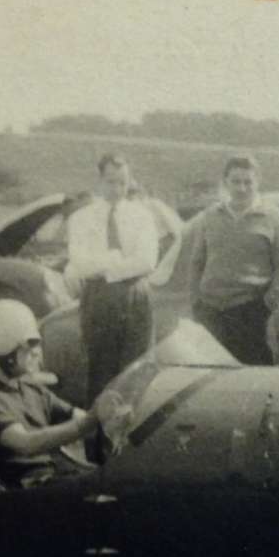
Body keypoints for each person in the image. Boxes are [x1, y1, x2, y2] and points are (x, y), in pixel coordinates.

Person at [0, 298, 124, 488]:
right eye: (29, 345)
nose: (36, 352)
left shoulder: (31, 388)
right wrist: (90, 420)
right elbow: (25, 443)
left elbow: (77, 415)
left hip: (57, 478)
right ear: (4, 350)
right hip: (31, 489)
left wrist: (113, 419)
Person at [65, 153, 160, 399]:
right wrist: (116, 258)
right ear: (99, 181)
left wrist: (106, 266)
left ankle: (133, 423)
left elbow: (147, 260)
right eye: (111, 182)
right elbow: (80, 263)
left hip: (136, 296)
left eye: (122, 182)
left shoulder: (142, 216)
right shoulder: (80, 218)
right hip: (99, 297)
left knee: (137, 369)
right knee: (100, 369)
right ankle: (100, 424)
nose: (117, 189)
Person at [186, 154, 279, 364]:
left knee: (253, 378)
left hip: (251, 313)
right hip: (211, 313)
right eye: (236, 181)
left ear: (257, 182)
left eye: (248, 182)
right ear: (225, 182)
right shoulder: (210, 215)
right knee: (212, 377)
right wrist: (196, 302)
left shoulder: (273, 216)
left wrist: (266, 306)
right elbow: (197, 262)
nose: (242, 188)